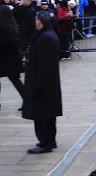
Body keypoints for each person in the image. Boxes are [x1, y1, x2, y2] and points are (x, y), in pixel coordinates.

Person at [23, 10, 62, 154]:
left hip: (42, 84)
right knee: (46, 115)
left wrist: (38, 84)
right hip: (45, 83)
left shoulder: (46, 38)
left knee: (42, 115)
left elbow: (45, 65)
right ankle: (49, 140)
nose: (34, 21)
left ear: (40, 21)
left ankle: (45, 142)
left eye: (36, 19)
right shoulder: (47, 35)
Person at [0, 5, 25, 111]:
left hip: (4, 58)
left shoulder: (2, 26)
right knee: (16, 80)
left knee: (15, 80)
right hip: (11, 58)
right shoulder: (12, 25)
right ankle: (27, 99)